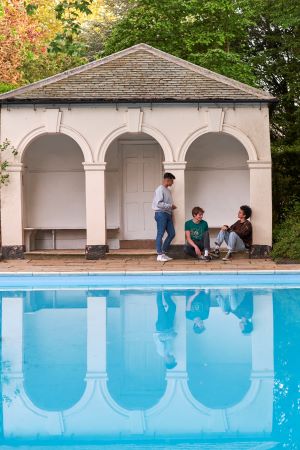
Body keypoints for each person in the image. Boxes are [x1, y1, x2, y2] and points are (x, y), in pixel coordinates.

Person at [152, 172, 177, 262]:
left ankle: (163, 253)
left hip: (167, 214)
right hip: (161, 214)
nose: (173, 183)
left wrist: (170, 209)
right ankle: (159, 255)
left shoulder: (168, 191)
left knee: (172, 233)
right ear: (167, 180)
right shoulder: (160, 189)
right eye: (172, 181)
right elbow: (158, 204)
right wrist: (170, 206)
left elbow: (165, 204)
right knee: (160, 234)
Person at [153, 291, 177, 369]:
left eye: (173, 360)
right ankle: (166, 294)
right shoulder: (170, 351)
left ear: (168, 361)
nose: (174, 359)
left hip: (161, 328)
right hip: (169, 327)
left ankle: (159, 292)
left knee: (161, 308)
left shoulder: (161, 352)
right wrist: (172, 334)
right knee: (173, 307)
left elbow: (160, 338)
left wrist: (171, 336)